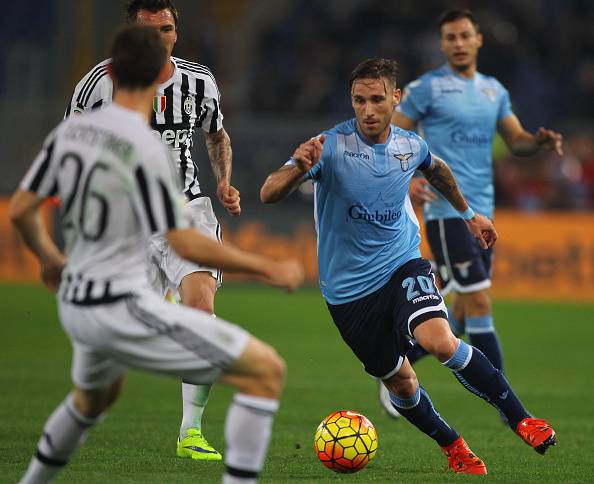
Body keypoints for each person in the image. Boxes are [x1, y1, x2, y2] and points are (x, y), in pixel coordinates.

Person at [12, 25, 303, 484]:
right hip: (118, 304)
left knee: (92, 401)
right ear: (155, 79)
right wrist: (267, 265)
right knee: (266, 371)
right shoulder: (146, 148)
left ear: (113, 68)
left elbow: (22, 209)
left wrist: (49, 259)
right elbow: (184, 240)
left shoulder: (73, 135)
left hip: (76, 302)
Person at [260, 57, 557, 475]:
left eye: (377, 100)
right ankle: (452, 444)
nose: (367, 110)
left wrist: (469, 215)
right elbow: (268, 192)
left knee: (440, 341)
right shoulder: (328, 147)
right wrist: (297, 171)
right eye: (358, 100)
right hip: (347, 293)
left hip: (403, 264)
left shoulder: (409, 145)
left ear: (394, 98)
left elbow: (438, 170)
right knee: (401, 382)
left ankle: (523, 418)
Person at [65, 0, 241, 459]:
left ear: (175, 33)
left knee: (202, 313)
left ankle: (191, 433)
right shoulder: (97, 85)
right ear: (129, 38)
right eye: (148, 31)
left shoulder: (199, 82)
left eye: (165, 29)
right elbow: (73, 148)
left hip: (187, 211)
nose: (158, 39)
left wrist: (223, 182)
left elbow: (216, 134)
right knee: (109, 345)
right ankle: (70, 425)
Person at [385, 8, 564, 415]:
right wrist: (409, 177)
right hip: (448, 212)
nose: (459, 44)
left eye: (465, 36)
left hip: (484, 212)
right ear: (443, 44)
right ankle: (509, 409)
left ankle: (399, 369)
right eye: (450, 37)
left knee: (462, 313)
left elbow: (515, 139)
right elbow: (391, 136)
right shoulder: (426, 88)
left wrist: (536, 142)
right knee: (479, 301)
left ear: (479, 39)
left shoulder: (493, 91)